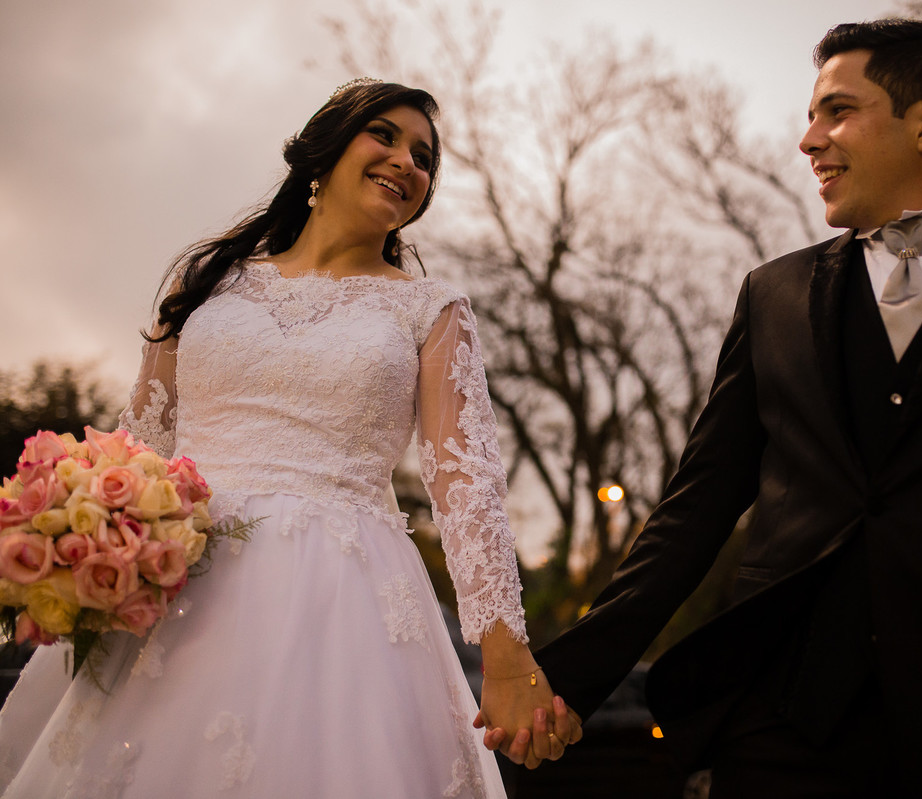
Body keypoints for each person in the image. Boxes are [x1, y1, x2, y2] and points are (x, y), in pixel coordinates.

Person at [490, 19, 922, 798]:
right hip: (782, 723)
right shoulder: (772, 293)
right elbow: (695, 510)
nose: (809, 140)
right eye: (811, 117)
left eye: (837, 112)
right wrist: (566, 678)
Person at [0, 78, 577, 798]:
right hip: (179, 587)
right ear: (324, 148)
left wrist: (507, 654)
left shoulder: (430, 310)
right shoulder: (208, 280)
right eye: (386, 136)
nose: (407, 161)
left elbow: (466, 485)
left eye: (425, 158)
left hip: (346, 601)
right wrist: (78, 550)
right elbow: (138, 446)